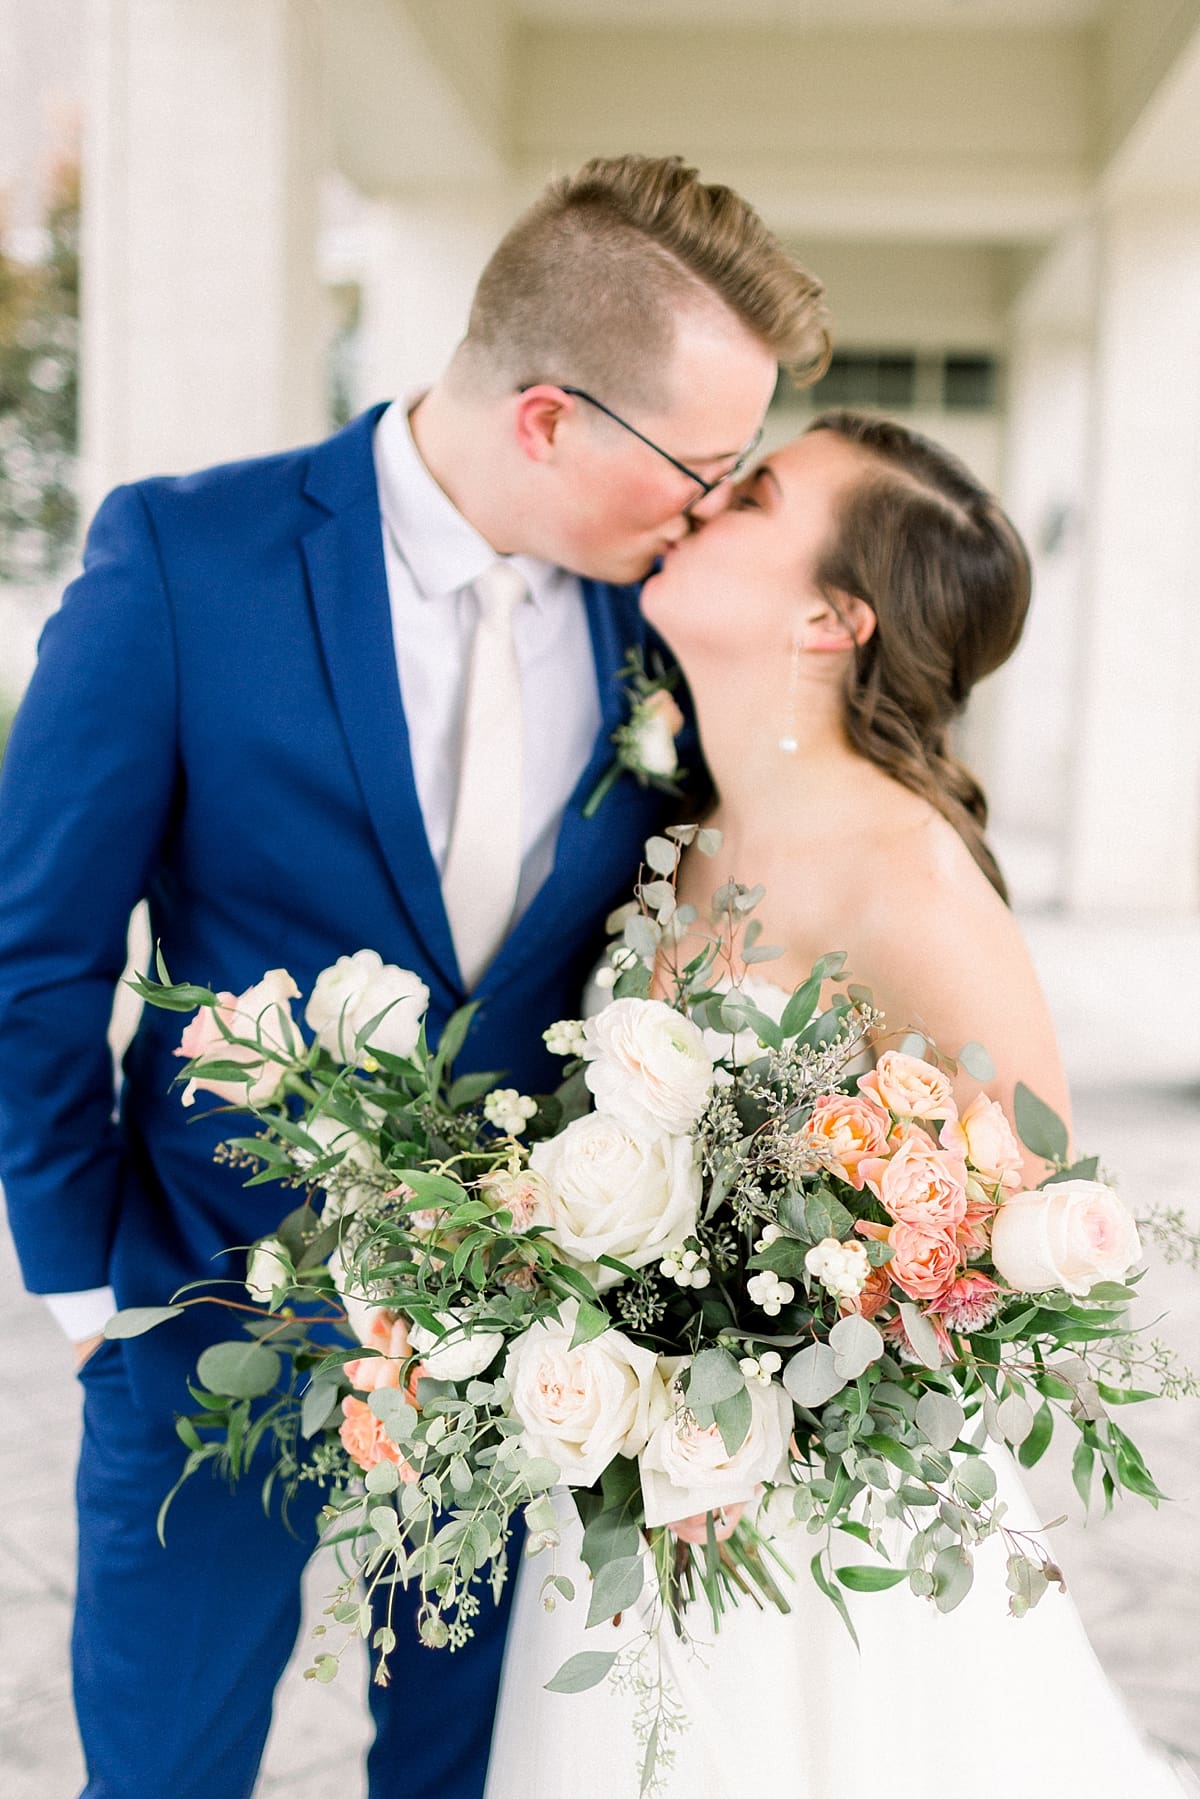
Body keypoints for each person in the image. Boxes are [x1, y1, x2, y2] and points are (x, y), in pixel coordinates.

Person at [0, 155, 828, 1799]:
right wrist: (83, 1274)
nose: (713, 509)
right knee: (162, 1775)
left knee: (463, 1780)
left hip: (531, 1355)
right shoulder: (182, 561)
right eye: (703, 467)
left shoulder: (661, 630)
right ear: (547, 419)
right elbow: (35, 949)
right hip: (205, 1305)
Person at [484, 412, 1188, 1798]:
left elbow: (1030, 1249)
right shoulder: (683, 824)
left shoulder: (908, 876)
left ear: (829, 617)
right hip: (632, 1478)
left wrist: (754, 1370)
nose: (699, 504)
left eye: (751, 497)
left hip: (812, 1543)